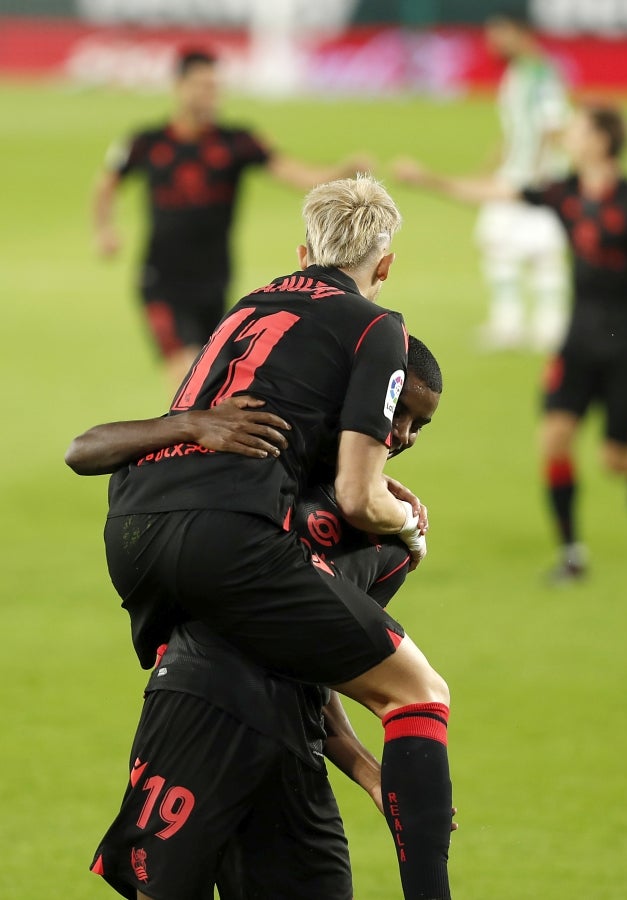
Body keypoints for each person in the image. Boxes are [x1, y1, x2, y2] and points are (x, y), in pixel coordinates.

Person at [91, 175, 453, 899]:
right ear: (383, 266)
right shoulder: (379, 329)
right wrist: (406, 524)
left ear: (303, 250)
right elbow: (358, 492)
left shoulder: (251, 306)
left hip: (133, 529)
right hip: (224, 547)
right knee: (419, 691)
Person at [394, 101, 627, 582]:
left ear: (602, 141)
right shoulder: (563, 193)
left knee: (614, 459)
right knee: (554, 437)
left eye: (579, 128)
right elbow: (496, 191)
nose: (568, 133)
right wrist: (430, 180)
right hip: (582, 338)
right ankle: (571, 554)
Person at [93, 47, 368, 392]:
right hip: (162, 279)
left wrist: (342, 173)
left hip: (215, 277)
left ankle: (195, 439)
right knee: (186, 374)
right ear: (179, 86)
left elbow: (294, 174)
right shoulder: (146, 142)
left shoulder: (238, 142)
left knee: (209, 378)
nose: (211, 95)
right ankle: (185, 440)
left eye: (215, 87)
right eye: (202, 86)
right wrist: (104, 231)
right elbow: (107, 184)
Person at [474, 7, 570, 352]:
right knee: (503, 242)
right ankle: (526, 324)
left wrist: (540, 175)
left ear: (518, 32)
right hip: (517, 173)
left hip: (534, 178)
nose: (491, 40)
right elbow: (518, 131)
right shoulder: (519, 72)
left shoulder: (541, 74)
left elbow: (554, 126)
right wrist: (489, 168)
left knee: (528, 248)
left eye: (497, 31)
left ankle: (535, 325)